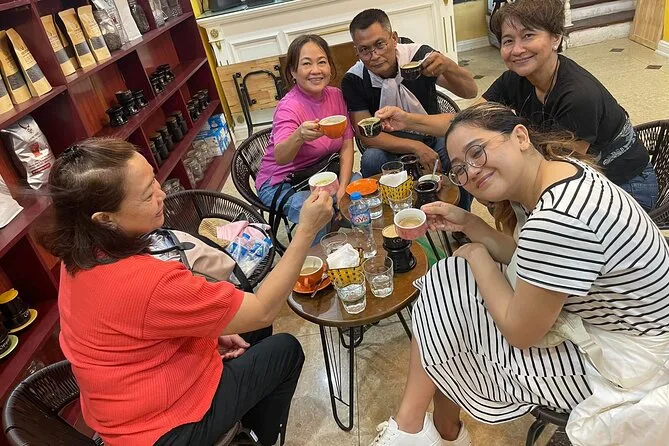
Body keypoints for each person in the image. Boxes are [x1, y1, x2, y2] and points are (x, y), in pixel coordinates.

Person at [369, 103, 669, 446]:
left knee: (448, 306)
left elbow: (520, 333)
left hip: (633, 366)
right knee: (448, 283)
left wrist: (477, 254)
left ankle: (424, 429)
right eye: (460, 169)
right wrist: (469, 223)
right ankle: (427, 428)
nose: (472, 171)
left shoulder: (557, 219)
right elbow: (530, 262)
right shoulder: (562, 171)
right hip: (623, 331)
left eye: (477, 152)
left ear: (521, 137)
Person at [38, 138, 334, 446]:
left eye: (154, 180)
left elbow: (138, 327)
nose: (162, 194)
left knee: (253, 332)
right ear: (105, 219)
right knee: (285, 350)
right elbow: (263, 309)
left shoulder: (80, 257)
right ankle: (256, 438)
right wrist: (306, 231)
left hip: (126, 399)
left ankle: (241, 414)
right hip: (158, 430)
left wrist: (206, 336)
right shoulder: (147, 281)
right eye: (146, 195)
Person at [376, 0, 659, 212]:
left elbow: (560, 174)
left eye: (529, 36)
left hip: (625, 184)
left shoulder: (577, 96)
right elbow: (466, 121)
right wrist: (406, 120)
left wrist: (495, 187)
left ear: (556, 38)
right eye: (508, 41)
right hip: (579, 176)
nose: (517, 49)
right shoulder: (515, 79)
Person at [341, 8, 476, 209]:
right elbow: (366, 136)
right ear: (357, 51)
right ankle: (387, 219)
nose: (374, 55)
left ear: (394, 38)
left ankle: (462, 216)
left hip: (431, 136)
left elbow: (470, 91)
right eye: (365, 50)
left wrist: (449, 66)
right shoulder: (354, 79)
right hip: (390, 147)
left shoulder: (419, 57)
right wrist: (415, 147)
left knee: (459, 149)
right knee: (371, 158)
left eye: (380, 44)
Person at [256, 34, 358, 238]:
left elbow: (347, 144)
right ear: (293, 71)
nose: (316, 70)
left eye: (322, 62)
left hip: (321, 171)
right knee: (316, 209)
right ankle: (317, 255)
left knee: (358, 190)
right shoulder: (288, 107)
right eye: (306, 64)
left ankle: (364, 245)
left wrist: (342, 189)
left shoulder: (336, 95)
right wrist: (299, 136)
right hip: (281, 180)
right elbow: (281, 157)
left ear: (330, 67)